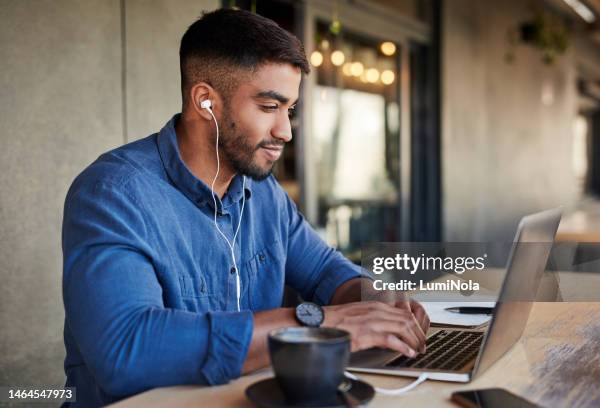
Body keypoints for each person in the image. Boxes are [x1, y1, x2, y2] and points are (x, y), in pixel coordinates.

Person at [61, 8, 429, 407]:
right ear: (205, 102)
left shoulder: (263, 193)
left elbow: (326, 271)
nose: (285, 132)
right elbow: (127, 349)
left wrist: (382, 301)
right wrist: (316, 322)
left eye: (289, 110)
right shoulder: (113, 193)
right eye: (269, 107)